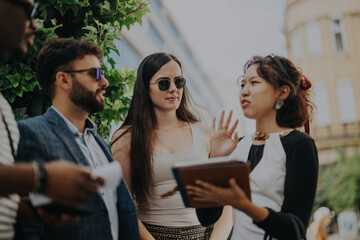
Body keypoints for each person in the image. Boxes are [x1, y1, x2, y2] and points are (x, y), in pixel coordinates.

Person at [15, 38, 139, 240]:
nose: (105, 82)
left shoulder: (99, 142)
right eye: (95, 74)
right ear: (64, 80)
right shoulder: (30, 134)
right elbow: (29, 229)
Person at [0, 1, 103, 239]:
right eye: (29, 10)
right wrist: (41, 178)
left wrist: (32, 212)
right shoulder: (33, 133)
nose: (34, 24)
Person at [186, 54, 319, 239]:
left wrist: (245, 205)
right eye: (242, 84)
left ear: (283, 92)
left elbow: (295, 230)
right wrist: (215, 158)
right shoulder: (237, 146)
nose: (244, 91)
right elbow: (206, 218)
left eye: (254, 83)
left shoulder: (300, 145)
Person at [111, 52, 237, 240]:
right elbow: (123, 205)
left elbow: (226, 204)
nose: (173, 89)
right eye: (163, 83)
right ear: (146, 87)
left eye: (179, 82)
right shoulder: (127, 138)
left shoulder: (205, 132)